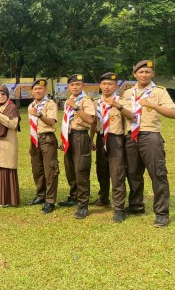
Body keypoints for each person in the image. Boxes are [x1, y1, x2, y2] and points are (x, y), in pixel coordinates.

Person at [123, 60, 175, 227]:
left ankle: (161, 213)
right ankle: (136, 205)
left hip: (150, 136)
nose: (144, 75)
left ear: (152, 74)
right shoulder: (127, 93)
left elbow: (174, 113)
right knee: (132, 172)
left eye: (147, 72)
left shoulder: (159, 92)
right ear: (135, 74)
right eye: (140, 72)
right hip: (131, 137)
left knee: (157, 173)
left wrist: (152, 105)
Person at [90, 73, 134, 223]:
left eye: (110, 84)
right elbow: (93, 123)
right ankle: (103, 197)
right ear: (100, 86)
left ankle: (119, 208)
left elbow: (132, 116)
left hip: (116, 139)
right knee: (101, 169)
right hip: (101, 137)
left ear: (116, 86)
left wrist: (118, 107)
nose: (107, 86)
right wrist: (91, 139)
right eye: (104, 84)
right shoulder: (95, 102)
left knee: (117, 173)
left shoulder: (121, 101)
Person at [59, 74, 95, 219]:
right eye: (72, 85)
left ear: (83, 86)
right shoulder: (70, 100)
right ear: (68, 87)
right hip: (69, 136)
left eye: (78, 84)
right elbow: (66, 120)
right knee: (70, 169)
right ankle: (74, 196)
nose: (75, 87)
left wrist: (76, 108)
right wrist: (63, 138)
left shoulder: (85, 101)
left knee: (81, 170)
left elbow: (90, 120)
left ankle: (83, 204)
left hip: (80, 136)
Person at [27, 79, 59, 214]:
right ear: (32, 91)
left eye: (40, 89)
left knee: (50, 170)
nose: (38, 91)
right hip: (35, 139)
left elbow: (51, 122)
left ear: (45, 90)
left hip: (47, 139)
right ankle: (41, 195)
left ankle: (50, 200)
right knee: (37, 169)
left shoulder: (50, 104)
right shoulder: (31, 106)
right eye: (35, 89)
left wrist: (39, 114)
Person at [0, 85, 21, 207]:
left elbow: (13, 124)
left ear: (7, 95)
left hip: (7, 143)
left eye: (3, 94)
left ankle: (6, 199)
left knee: (5, 169)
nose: (0, 97)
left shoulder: (12, 107)